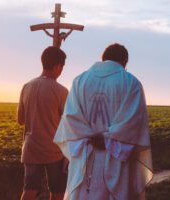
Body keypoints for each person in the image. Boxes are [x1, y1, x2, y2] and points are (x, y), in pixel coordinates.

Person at [54, 43, 153, 200]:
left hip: (85, 154)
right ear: (125, 61)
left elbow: (70, 118)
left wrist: (90, 135)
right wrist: (107, 138)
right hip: (116, 157)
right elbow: (133, 121)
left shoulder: (80, 81)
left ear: (103, 58)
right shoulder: (131, 83)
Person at [17, 46, 68, 200]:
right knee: (57, 191)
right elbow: (68, 124)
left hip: (31, 149)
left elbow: (20, 120)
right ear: (59, 66)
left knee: (30, 189)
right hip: (54, 151)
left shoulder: (27, 87)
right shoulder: (61, 91)